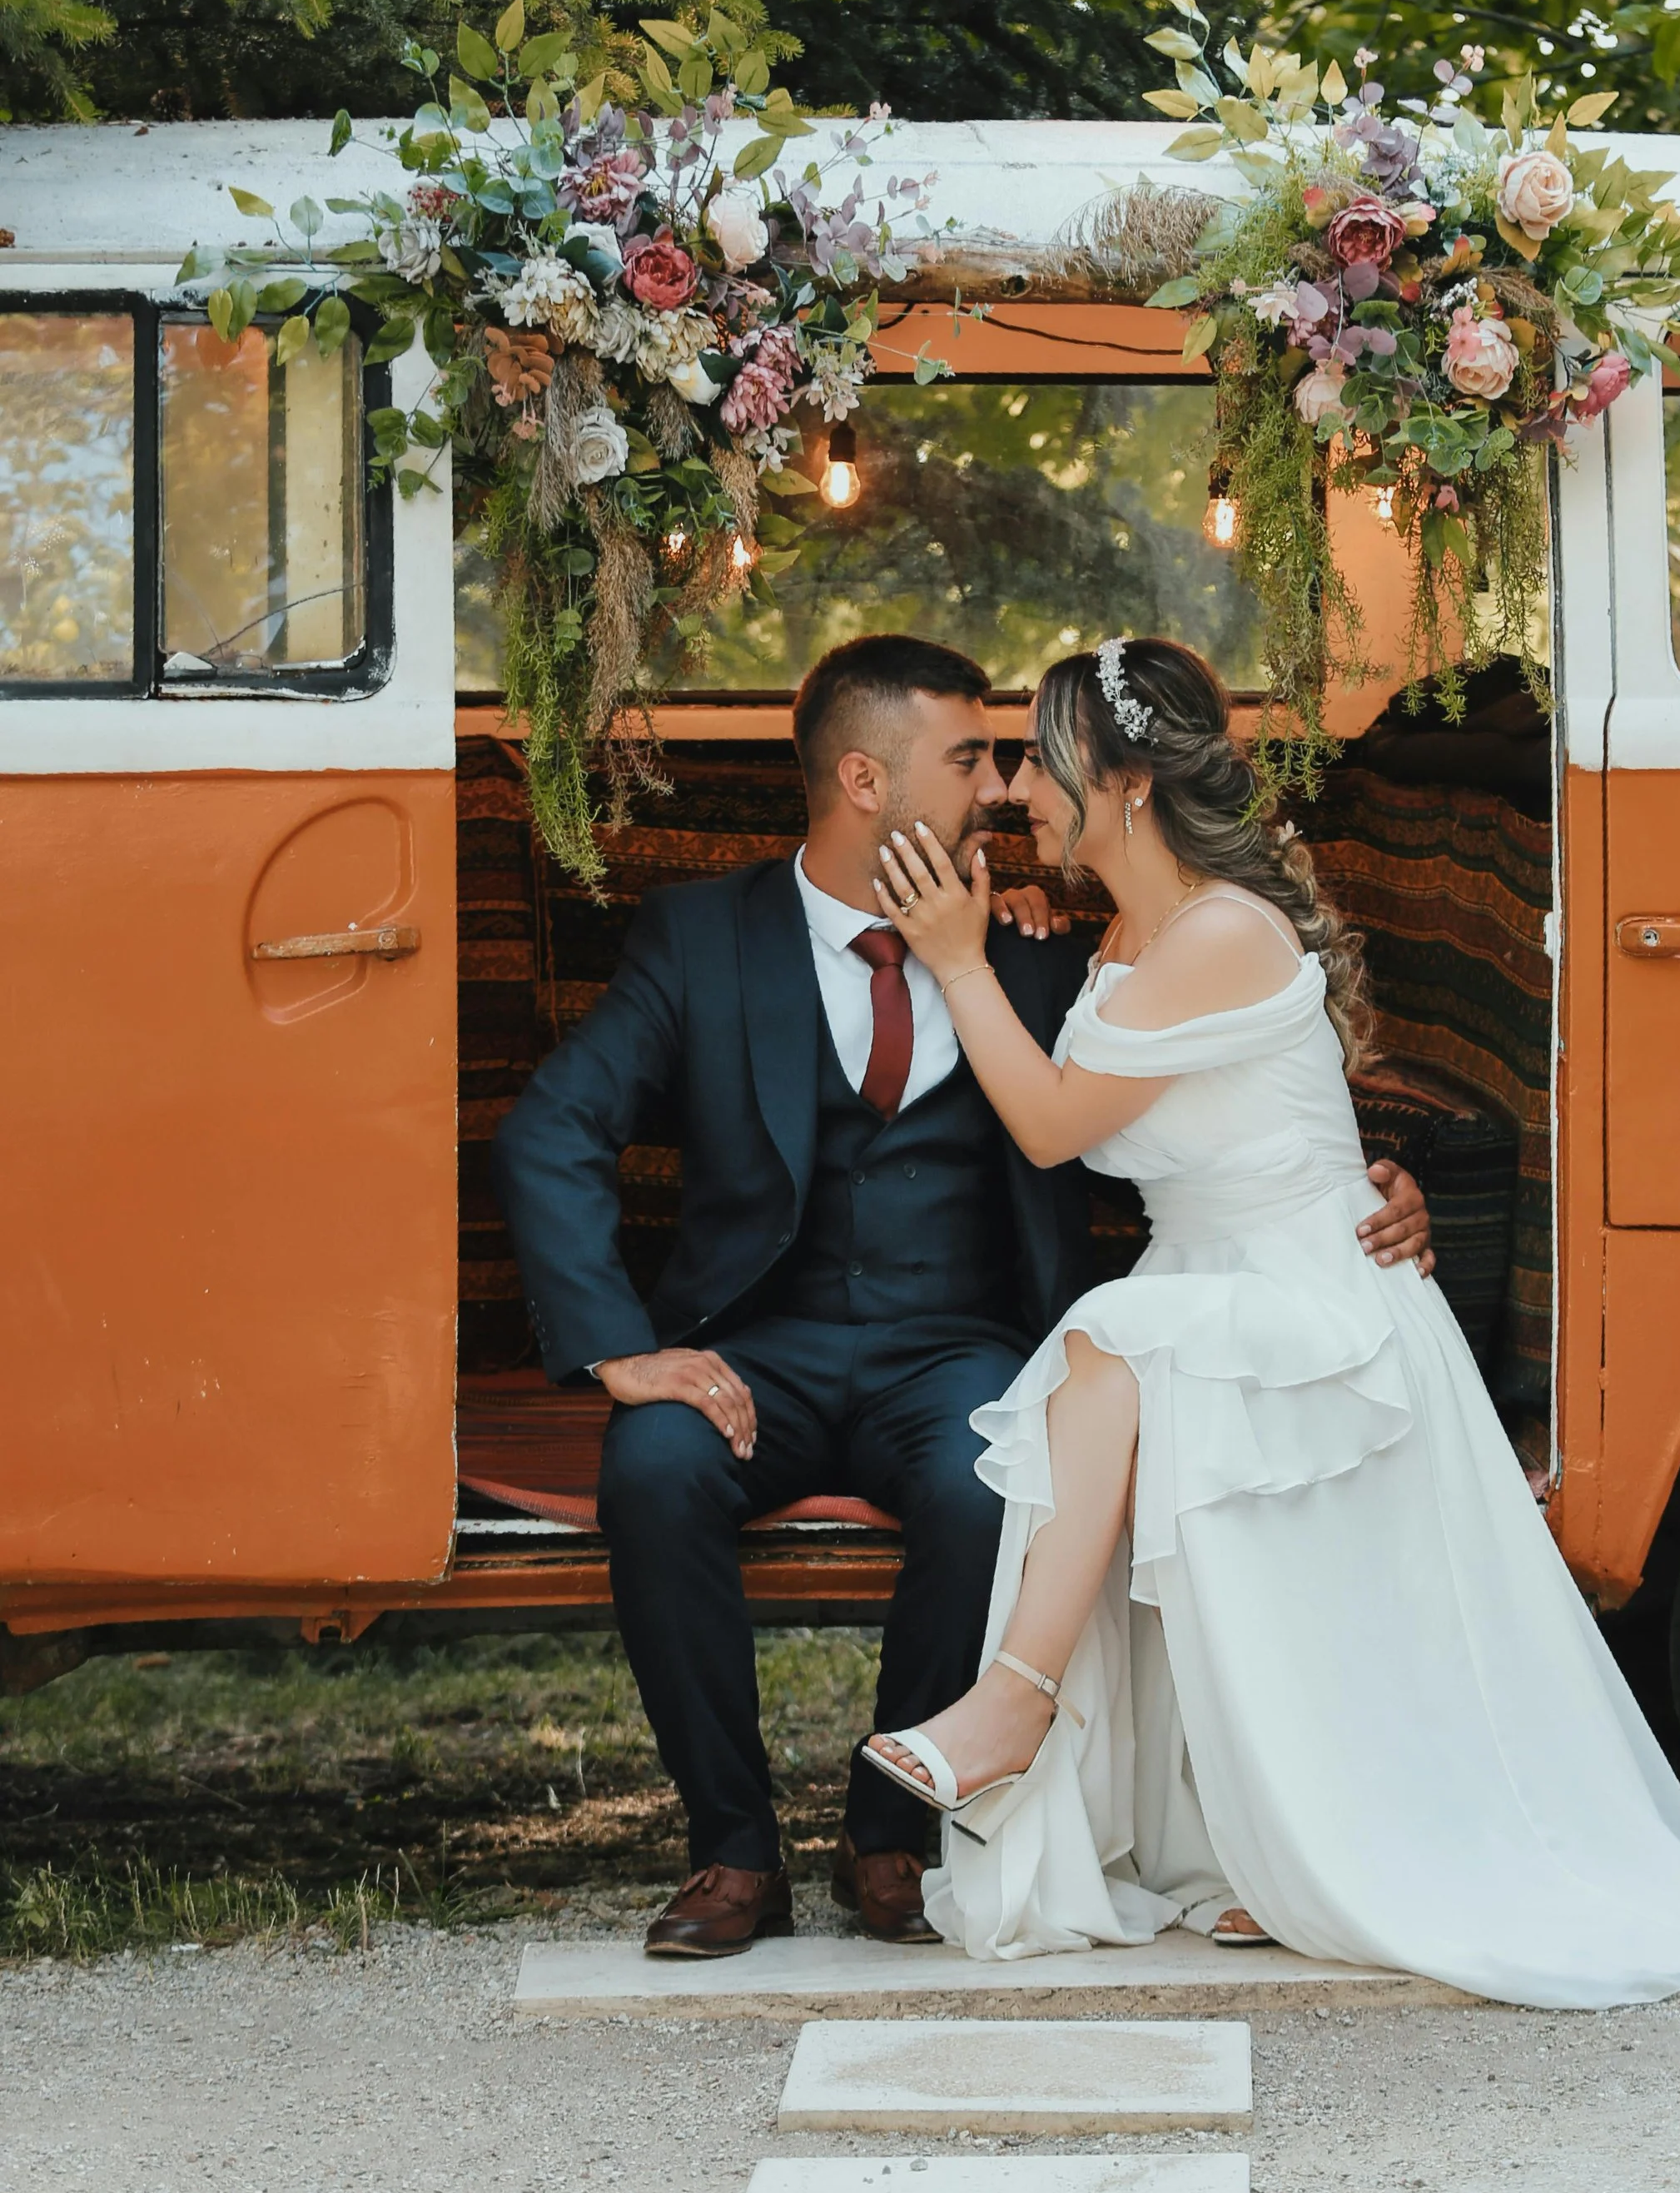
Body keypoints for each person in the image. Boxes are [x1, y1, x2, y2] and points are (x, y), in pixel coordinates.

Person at [858, 637, 1680, 2008]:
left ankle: (1015, 1704)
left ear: (1125, 783)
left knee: (1106, 1346)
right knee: (1110, 1352)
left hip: (1308, 1296)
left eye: (1039, 760)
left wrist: (955, 961)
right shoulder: (1122, 927)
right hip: (1225, 1271)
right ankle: (1213, 1823)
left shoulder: (1222, 931)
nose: (1015, 790)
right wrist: (1003, 943)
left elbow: (1050, 1125)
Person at [491, 634, 1434, 1960]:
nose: (1002, 787)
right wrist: (617, 1355)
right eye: (970, 757)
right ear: (865, 779)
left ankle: (894, 1831)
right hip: (755, 1348)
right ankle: (730, 1849)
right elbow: (553, 1132)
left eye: (1015, 760)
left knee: (992, 1476)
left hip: (955, 1348)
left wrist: (1374, 1188)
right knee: (651, 1466)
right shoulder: (703, 935)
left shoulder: (1043, 946)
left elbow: (1239, 1090)